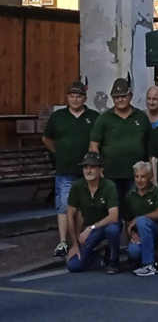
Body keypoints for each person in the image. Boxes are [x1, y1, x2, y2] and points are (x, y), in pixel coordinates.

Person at [42, 81, 100, 257]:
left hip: (87, 169)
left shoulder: (94, 117)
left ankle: (77, 238)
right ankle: (62, 242)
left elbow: (98, 140)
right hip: (65, 167)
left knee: (81, 207)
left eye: (78, 96)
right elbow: (47, 139)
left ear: (85, 98)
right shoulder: (57, 117)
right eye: (72, 96)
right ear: (67, 98)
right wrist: (57, 153)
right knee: (64, 206)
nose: (75, 99)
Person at [90, 78, 152, 209]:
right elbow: (94, 145)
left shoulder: (141, 117)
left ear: (130, 96)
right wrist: (98, 169)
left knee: (135, 207)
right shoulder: (104, 118)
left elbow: (150, 145)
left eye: (123, 96)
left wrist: (151, 171)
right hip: (110, 173)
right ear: (112, 98)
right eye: (116, 97)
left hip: (137, 175)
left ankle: (132, 229)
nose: (120, 100)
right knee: (113, 208)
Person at [65, 152, 121, 274]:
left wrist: (91, 228)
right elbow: (70, 214)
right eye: (85, 167)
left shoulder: (109, 186)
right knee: (73, 265)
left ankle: (114, 260)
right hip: (90, 230)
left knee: (112, 230)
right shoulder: (77, 186)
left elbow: (113, 216)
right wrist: (74, 243)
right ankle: (99, 256)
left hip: (106, 225)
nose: (88, 170)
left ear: (101, 169)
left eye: (92, 167)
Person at [123, 162, 158, 277]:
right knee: (133, 252)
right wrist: (131, 234)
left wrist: (139, 219)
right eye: (136, 177)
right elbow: (127, 220)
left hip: (155, 230)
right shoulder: (130, 195)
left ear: (150, 177)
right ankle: (148, 258)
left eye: (143, 177)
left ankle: (149, 265)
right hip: (139, 233)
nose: (139, 180)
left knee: (142, 221)